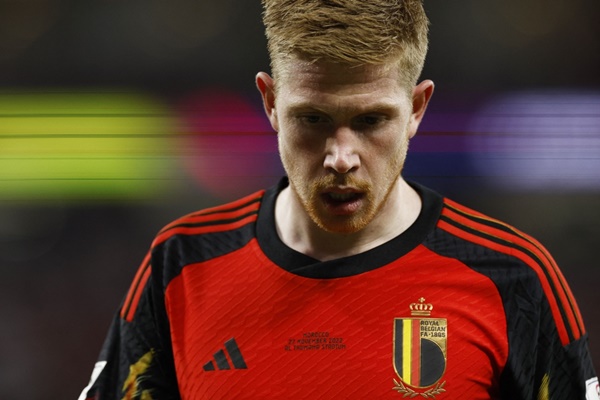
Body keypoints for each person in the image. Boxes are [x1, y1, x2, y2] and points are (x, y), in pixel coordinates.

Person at [79, 0, 598, 399]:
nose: (341, 157)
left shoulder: (513, 277)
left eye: (371, 120)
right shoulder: (182, 264)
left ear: (417, 109)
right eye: (313, 119)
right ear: (271, 103)